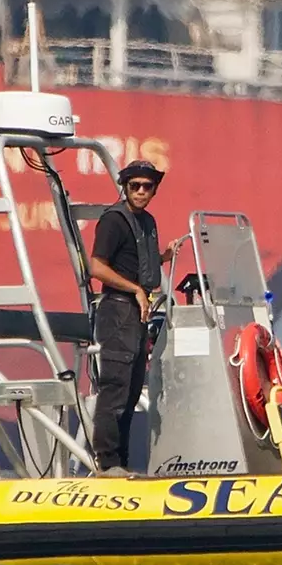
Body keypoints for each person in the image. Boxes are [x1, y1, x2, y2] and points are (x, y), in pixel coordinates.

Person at [87, 160, 172, 475]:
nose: (140, 191)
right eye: (134, 185)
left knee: (133, 389)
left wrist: (164, 257)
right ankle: (107, 462)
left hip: (138, 311)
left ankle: (120, 463)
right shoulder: (114, 220)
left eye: (147, 186)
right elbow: (96, 267)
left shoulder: (147, 221)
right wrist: (135, 290)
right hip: (118, 309)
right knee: (116, 388)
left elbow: (138, 263)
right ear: (124, 187)